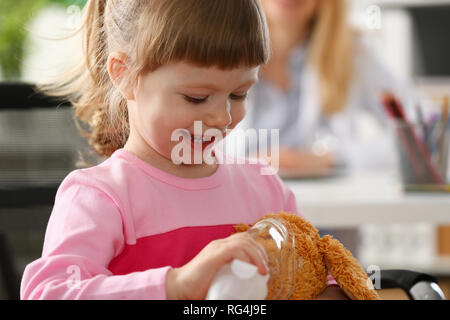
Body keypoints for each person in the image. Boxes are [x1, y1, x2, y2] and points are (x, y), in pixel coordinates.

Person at [20, 0, 347, 300]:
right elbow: (48, 293)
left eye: (239, 94)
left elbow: (319, 273)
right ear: (124, 75)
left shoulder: (264, 188)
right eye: (196, 98)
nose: (222, 117)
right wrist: (176, 284)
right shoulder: (102, 197)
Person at [226, 0, 415, 175]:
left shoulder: (353, 53)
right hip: (237, 200)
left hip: (323, 204)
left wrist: (332, 159)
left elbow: (417, 134)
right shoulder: (217, 51)